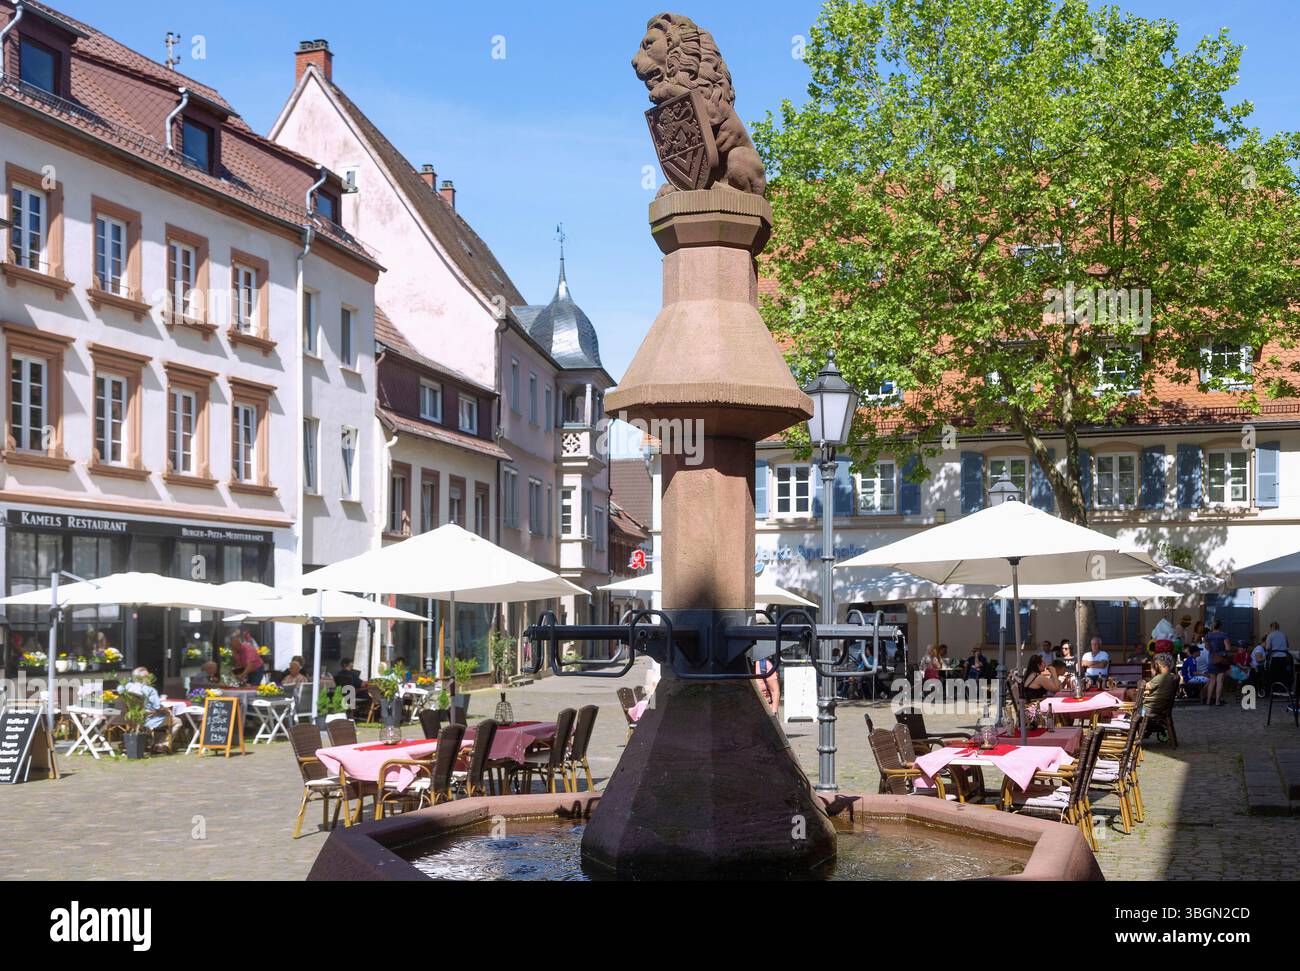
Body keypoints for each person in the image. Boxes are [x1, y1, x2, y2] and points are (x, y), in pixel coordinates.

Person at [1142, 654, 1179, 735]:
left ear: (1157, 665)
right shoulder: (1172, 676)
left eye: (1152, 666)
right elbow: (1160, 691)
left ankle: (1134, 730)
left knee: (1132, 707)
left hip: (1149, 709)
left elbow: (1144, 686)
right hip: (1162, 707)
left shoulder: (1160, 678)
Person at [122, 666, 166, 731]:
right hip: (146, 719)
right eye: (147, 677)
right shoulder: (150, 690)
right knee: (177, 721)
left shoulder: (127, 688)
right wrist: (165, 709)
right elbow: (157, 707)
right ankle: (162, 741)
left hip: (129, 718)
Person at [1202, 620, 1231, 705]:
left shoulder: (1208, 635)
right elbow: (1228, 648)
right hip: (1221, 659)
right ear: (1220, 626)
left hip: (1211, 658)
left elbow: (1206, 647)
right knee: (1219, 681)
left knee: (1212, 681)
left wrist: (1213, 651)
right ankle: (1217, 701)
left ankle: (1208, 700)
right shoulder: (1223, 635)